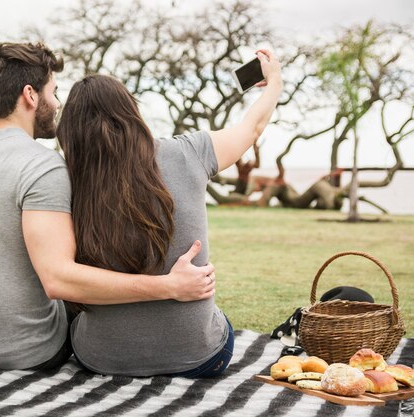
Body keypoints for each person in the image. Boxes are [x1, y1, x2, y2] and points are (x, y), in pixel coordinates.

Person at [0, 42, 216, 371]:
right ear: (30, 95)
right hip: (30, 351)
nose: (56, 104)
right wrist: (167, 286)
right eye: (53, 92)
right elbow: (59, 281)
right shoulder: (43, 166)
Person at [56, 49, 283, 377]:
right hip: (203, 359)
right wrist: (273, 82)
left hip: (102, 361)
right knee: (215, 320)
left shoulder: (64, 179)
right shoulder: (188, 151)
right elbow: (252, 127)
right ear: (131, 112)